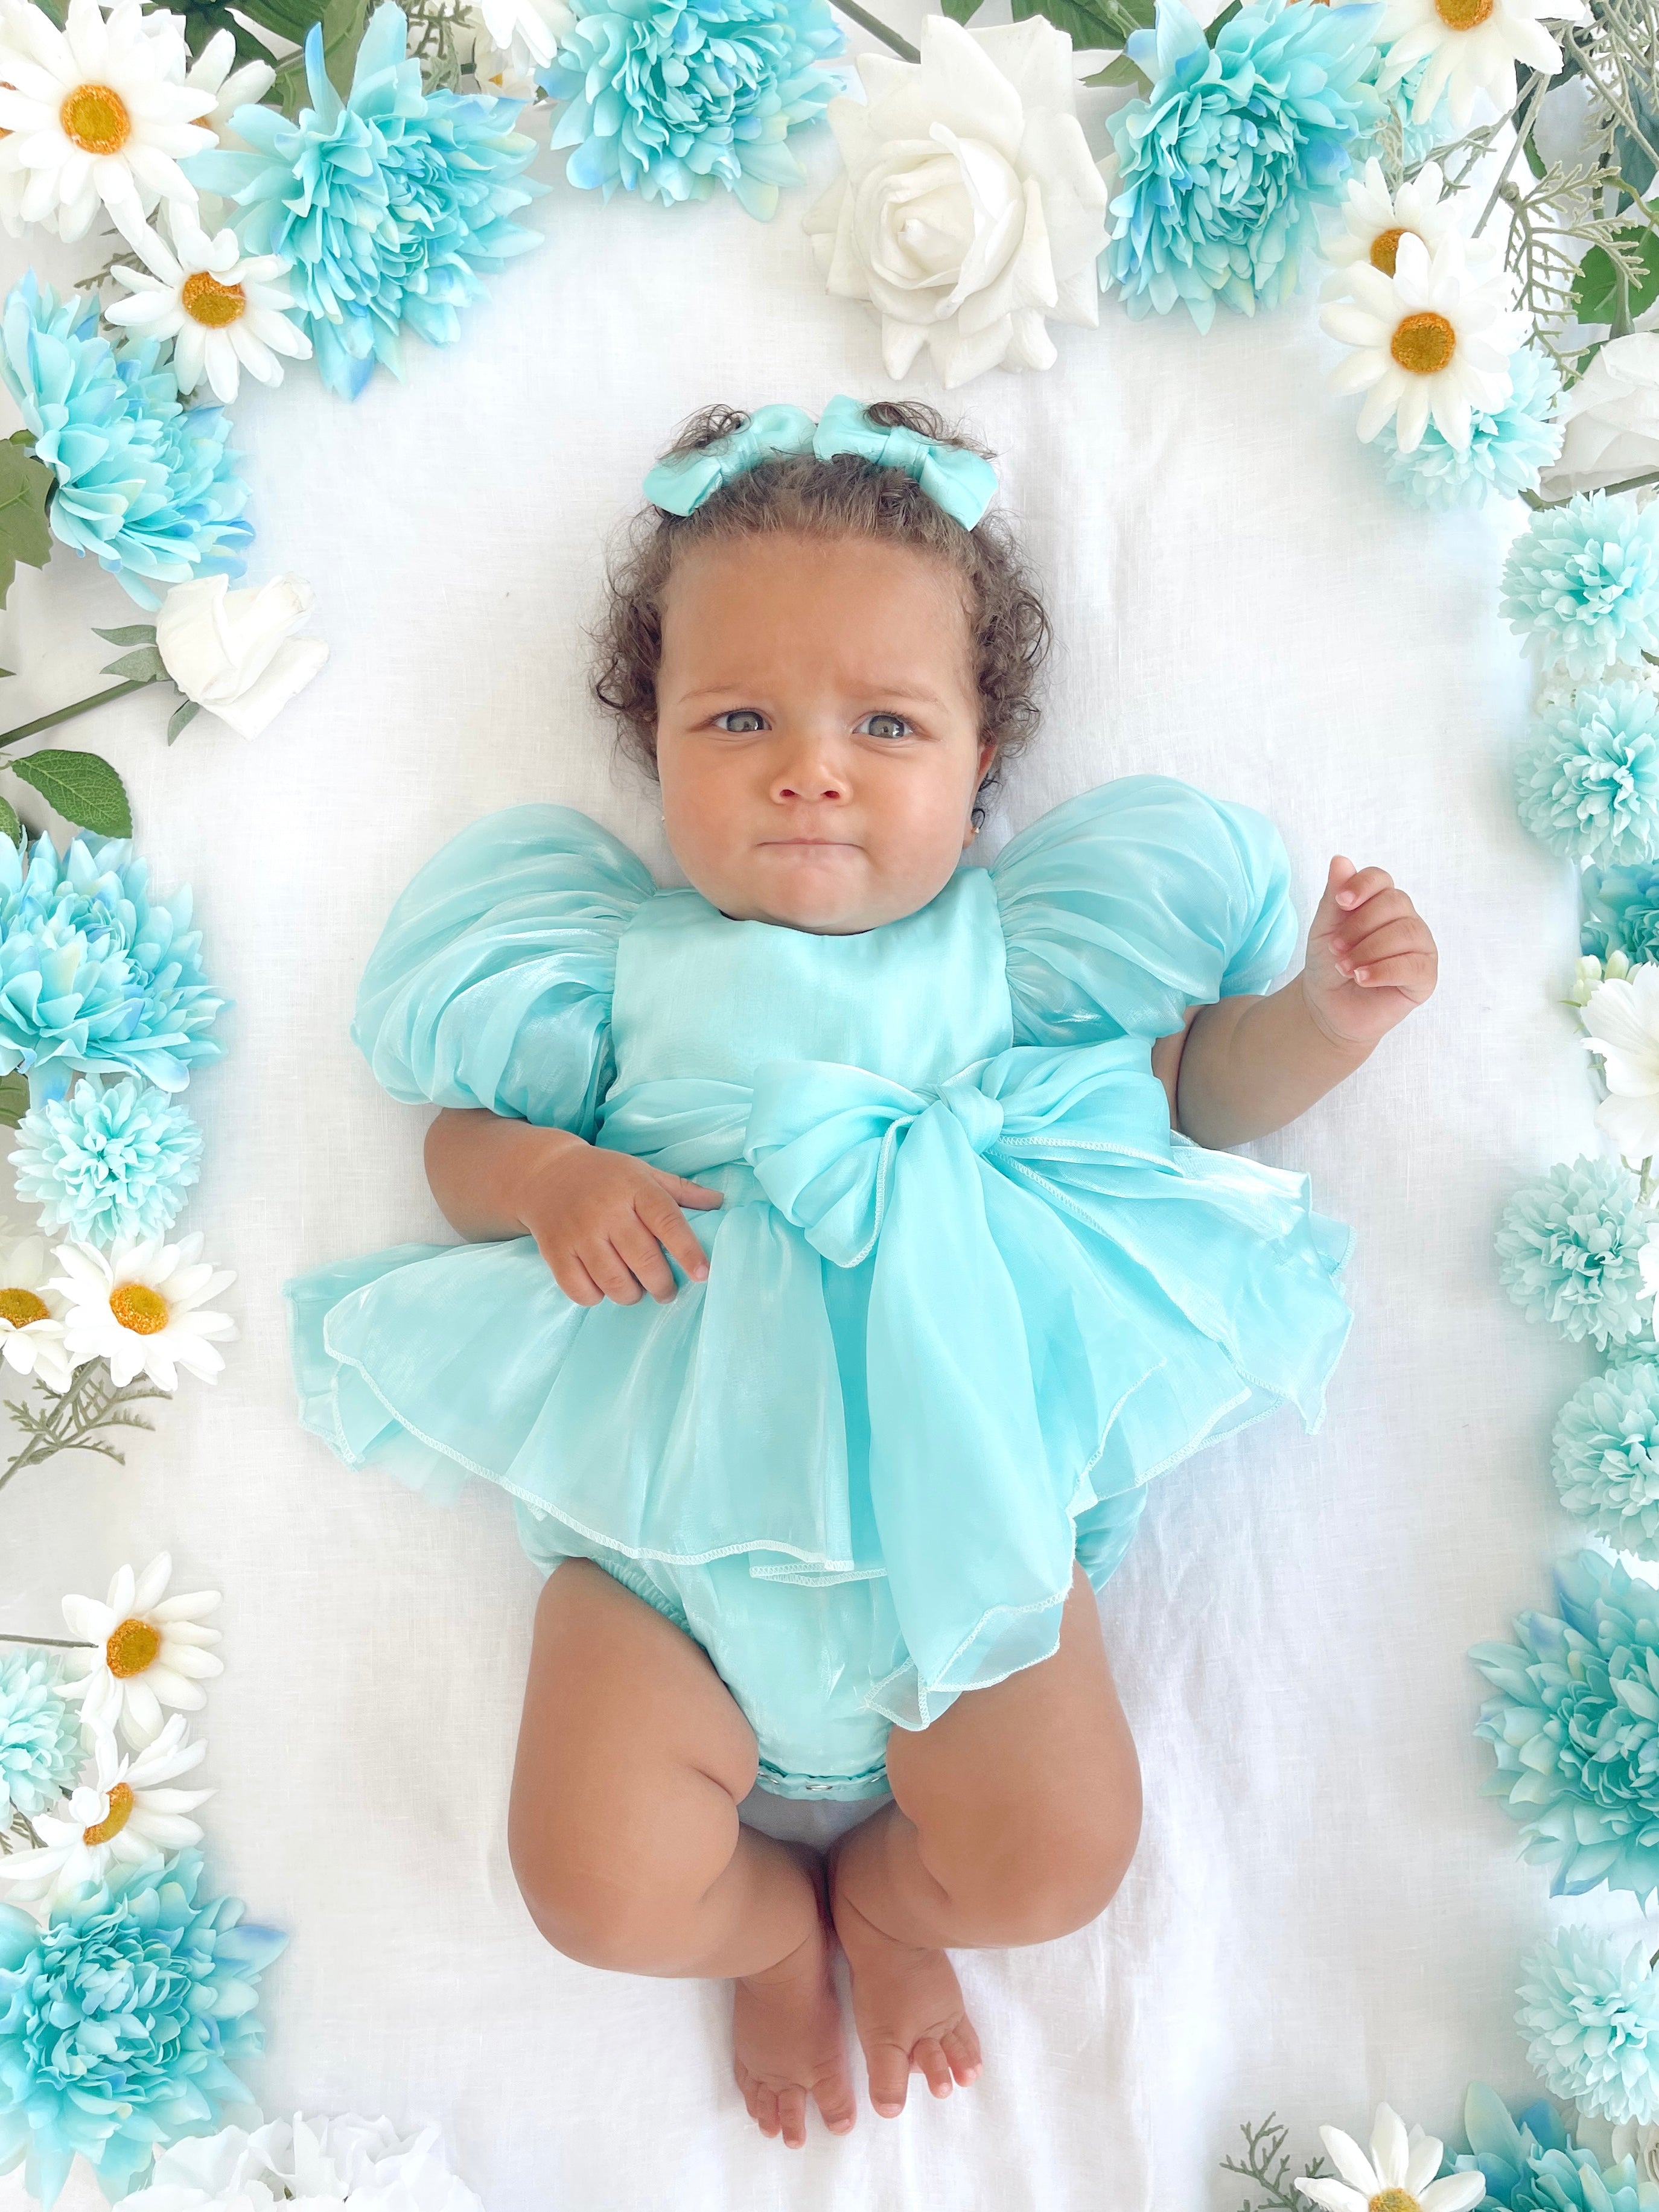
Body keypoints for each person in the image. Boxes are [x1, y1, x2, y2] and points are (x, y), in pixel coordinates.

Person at [285, 394, 1438, 2149]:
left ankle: (894, 1907)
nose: (809, 769)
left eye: (885, 724)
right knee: (591, 1883)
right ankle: (763, 1934)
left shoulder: (1012, 965)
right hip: (666, 1547)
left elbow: (1193, 1092)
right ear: (653, 741)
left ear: (983, 765)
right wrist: (550, 1178)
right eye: (738, 718)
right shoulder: (616, 965)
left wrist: (1326, 1019)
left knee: (1058, 1854)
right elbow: (459, 1150)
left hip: (965, 1535)